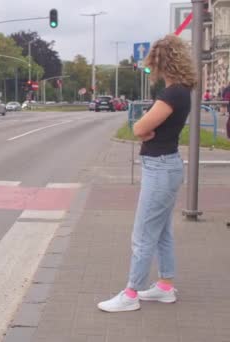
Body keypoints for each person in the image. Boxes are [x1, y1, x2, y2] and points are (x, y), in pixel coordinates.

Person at [98, 34, 196, 313]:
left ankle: (131, 293)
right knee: (162, 231)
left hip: (161, 167)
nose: (150, 68)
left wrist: (145, 131)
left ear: (162, 61)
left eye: (152, 63)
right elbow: (146, 128)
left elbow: (140, 128)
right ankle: (165, 286)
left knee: (142, 235)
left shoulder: (172, 93)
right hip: (166, 165)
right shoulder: (181, 91)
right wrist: (147, 130)